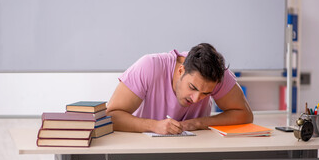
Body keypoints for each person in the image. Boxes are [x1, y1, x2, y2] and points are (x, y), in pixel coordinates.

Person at [106, 43, 253, 135]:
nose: (196, 99)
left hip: (194, 152)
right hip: (144, 153)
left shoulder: (218, 75)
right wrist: (154, 126)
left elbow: (244, 114)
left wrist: (196, 123)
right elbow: (111, 116)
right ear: (181, 70)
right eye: (192, 87)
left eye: (206, 93)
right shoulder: (149, 66)